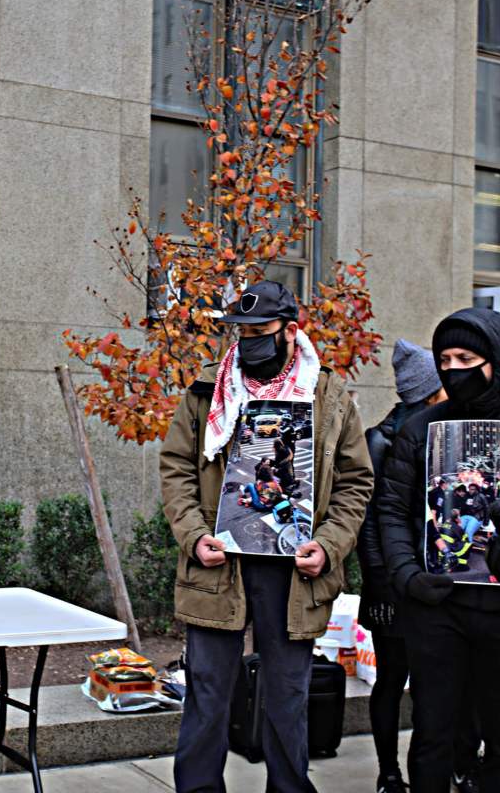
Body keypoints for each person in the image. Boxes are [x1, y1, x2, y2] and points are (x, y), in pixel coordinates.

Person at [160, 280, 373, 793]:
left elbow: (355, 481)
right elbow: (176, 471)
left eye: (261, 332)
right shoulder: (207, 392)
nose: (249, 342)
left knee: (286, 694)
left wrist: (328, 544)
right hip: (219, 564)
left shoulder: (329, 396)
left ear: (290, 331)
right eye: (242, 332)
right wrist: (193, 536)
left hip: (293, 571)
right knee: (208, 692)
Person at [378, 308, 500, 793]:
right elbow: (391, 511)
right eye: (445, 358)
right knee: (432, 733)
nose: (454, 368)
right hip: (437, 610)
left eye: (466, 357)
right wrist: (408, 576)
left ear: (494, 360)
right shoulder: (418, 430)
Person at [357, 338, 481, 793]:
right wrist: (382, 584)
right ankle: (390, 773)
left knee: (446, 681)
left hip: (438, 582)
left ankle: (454, 766)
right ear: (431, 390)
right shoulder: (385, 438)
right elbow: (369, 522)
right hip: (394, 583)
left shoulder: (452, 435)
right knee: (392, 678)